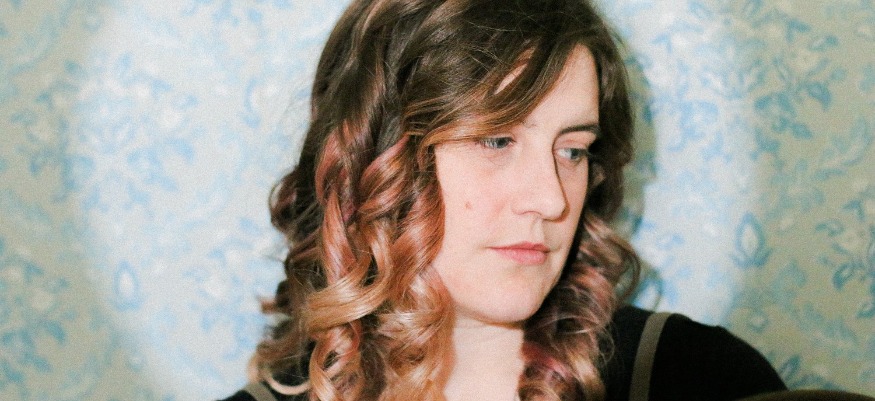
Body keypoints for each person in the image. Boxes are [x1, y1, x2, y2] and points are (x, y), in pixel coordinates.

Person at [222, 0, 787, 400]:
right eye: (496, 140)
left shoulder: (696, 377)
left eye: (573, 150)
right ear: (373, 160)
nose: (551, 199)